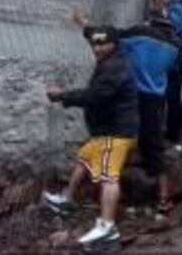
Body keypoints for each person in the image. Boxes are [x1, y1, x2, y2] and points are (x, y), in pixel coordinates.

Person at [43, 26, 139, 250]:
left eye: (102, 44)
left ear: (113, 44)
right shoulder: (110, 58)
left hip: (115, 133)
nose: (96, 48)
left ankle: (107, 228)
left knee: (109, 177)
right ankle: (67, 200)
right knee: (84, 158)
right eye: (94, 44)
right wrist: (83, 25)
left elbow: (95, 96)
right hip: (105, 131)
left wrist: (62, 96)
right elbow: (94, 35)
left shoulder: (115, 68)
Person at [120, 17, 180, 215]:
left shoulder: (139, 38)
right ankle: (163, 198)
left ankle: (110, 188)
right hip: (155, 99)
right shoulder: (173, 49)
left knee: (118, 136)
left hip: (134, 95)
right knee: (154, 145)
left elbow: (116, 39)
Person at [147, 0, 182, 147]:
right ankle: (164, 137)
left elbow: (175, 26)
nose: (157, 1)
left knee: (180, 101)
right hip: (167, 65)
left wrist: (160, 15)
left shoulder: (178, 9)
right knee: (164, 100)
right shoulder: (158, 14)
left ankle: (176, 141)